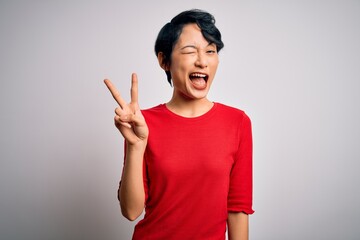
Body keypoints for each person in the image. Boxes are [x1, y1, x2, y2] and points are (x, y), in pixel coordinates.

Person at [104, 9, 254, 240]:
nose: (202, 61)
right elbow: (131, 211)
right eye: (190, 51)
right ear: (164, 61)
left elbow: (237, 209)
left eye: (210, 51)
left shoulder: (237, 122)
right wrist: (136, 144)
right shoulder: (142, 123)